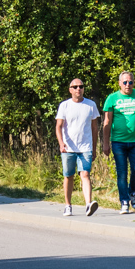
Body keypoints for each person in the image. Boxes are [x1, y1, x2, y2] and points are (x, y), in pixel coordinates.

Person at [101, 70, 135, 214]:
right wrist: (105, 143)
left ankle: (132, 193)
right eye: (125, 82)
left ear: (133, 83)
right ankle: (124, 201)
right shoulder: (112, 98)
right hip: (118, 142)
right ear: (119, 83)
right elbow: (107, 121)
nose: (128, 85)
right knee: (122, 173)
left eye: (130, 82)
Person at [55, 78, 101, 217]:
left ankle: (88, 204)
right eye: (75, 87)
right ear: (70, 90)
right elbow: (58, 126)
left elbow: (94, 128)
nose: (78, 89)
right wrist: (61, 143)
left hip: (85, 147)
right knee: (69, 176)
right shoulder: (65, 105)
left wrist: (94, 147)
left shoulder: (90, 105)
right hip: (68, 148)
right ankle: (68, 205)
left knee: (85, 174)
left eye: (81, 86)